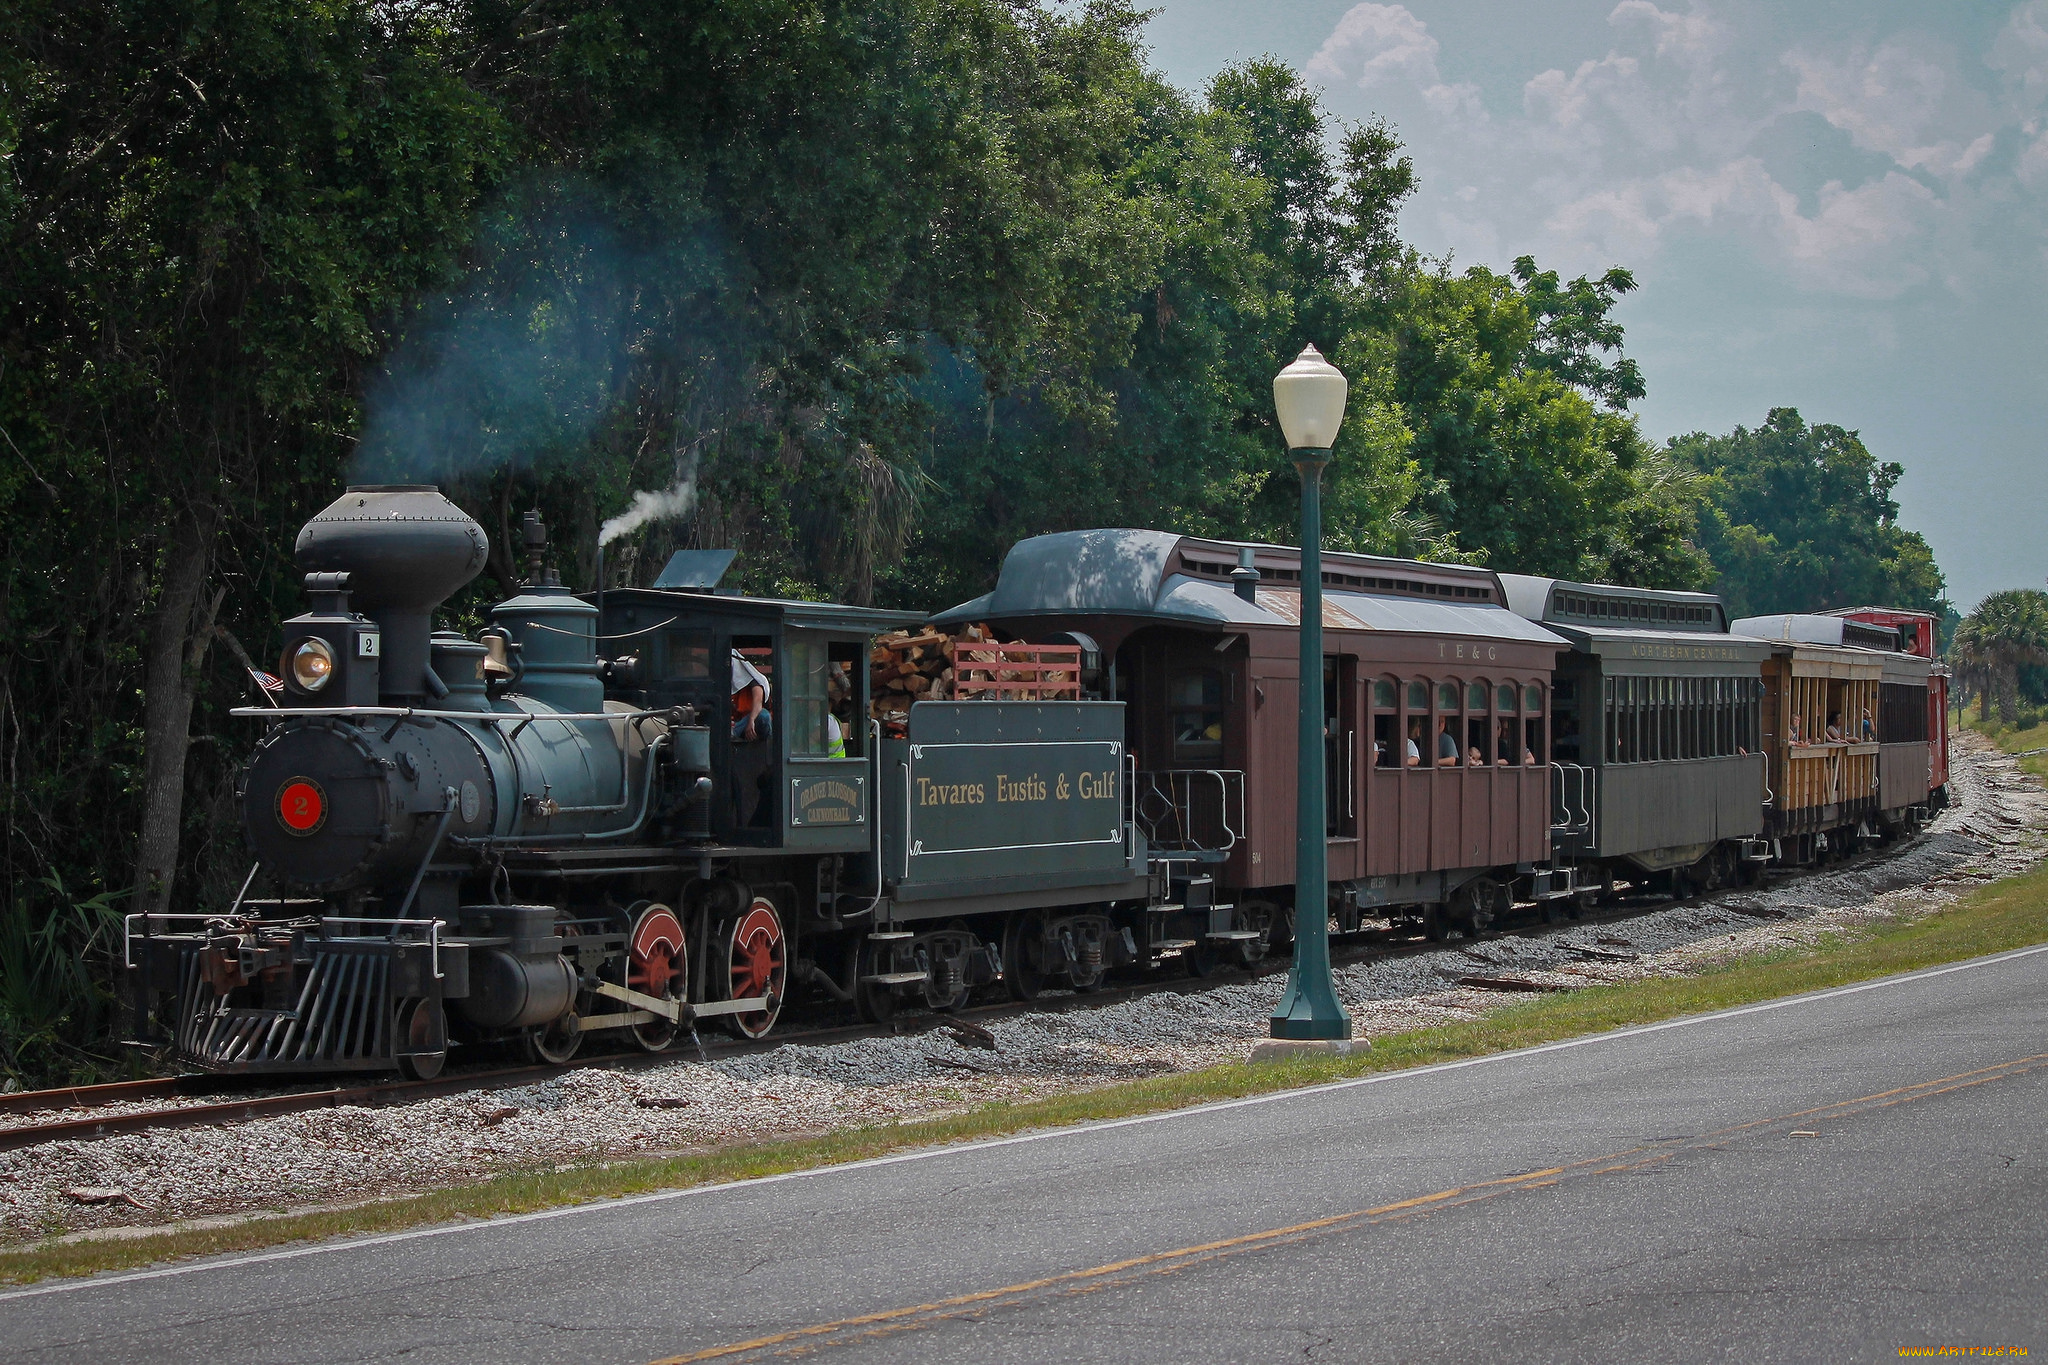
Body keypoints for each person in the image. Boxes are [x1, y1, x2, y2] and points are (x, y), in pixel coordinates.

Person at [732, 650, 772, 741]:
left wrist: (751, 720)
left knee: (764, 716)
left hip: (753, 723)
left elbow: (758, 703)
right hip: (738, 725)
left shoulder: (754, 682)